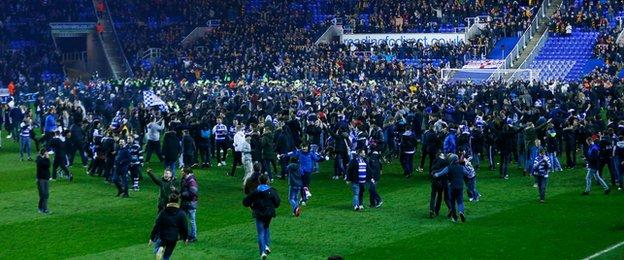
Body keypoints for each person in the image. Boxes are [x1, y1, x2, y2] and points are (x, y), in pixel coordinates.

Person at [243, 174, 281, 260]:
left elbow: (245, 202)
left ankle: (263, 252)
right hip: (269, 213)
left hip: (259, 213)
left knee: (260, 232)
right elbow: (277, 202)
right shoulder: (272, 191)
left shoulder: (255, 191)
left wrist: (251, 206)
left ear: (259, 181)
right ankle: (267, 245)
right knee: (266, 227)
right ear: (267, 181)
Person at [149, 193, 189, 260]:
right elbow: (184, 227)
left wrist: (152, 237)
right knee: (167, 256)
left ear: (169, 200)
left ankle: (159, 250)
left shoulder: (163, 212)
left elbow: (156, 224)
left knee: (156, 249)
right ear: (177, 201)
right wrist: (185, 238)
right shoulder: (181, 213)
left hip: (162, 236)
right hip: (173, 237)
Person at [433, 153, 471, 222]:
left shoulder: (449, 167)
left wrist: (435, 175)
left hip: (452, 187)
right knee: (460, 200)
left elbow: (441, 173)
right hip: (460, 186)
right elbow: (468, 173)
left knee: (452, 202)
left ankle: (454, 218)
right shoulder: (461, 167)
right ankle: (461, 211)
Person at [180, 167, 198, 243]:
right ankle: (185, 235)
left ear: (186, 172)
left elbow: (193, 191)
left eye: (182, 171)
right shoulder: (185, 179)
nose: (181, 172)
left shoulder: (191, 180)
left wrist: (182, 194)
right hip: (185, 203)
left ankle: (193, 237)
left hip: (190, 204)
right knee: (183, 220)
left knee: (191, 221)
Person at [429, 153, 450, 218]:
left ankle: (431, 210)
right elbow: (446, 172)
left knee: (433, 196)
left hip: (434, 180)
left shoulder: (435, 160)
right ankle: (436, 210)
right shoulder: (445, 162)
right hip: (441, 181)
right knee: (439, 196)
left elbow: (431, 169)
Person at [36, 149, 51, 214]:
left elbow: (48, 165)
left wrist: (47, 159)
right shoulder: (38, 159)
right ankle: (41, 208)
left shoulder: (44, 159)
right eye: (46, 153)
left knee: (46, 194)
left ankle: (44, 208)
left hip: (45, 178)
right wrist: (47, 158)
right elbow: (43, 164)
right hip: (40, 179)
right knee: (42, 194)